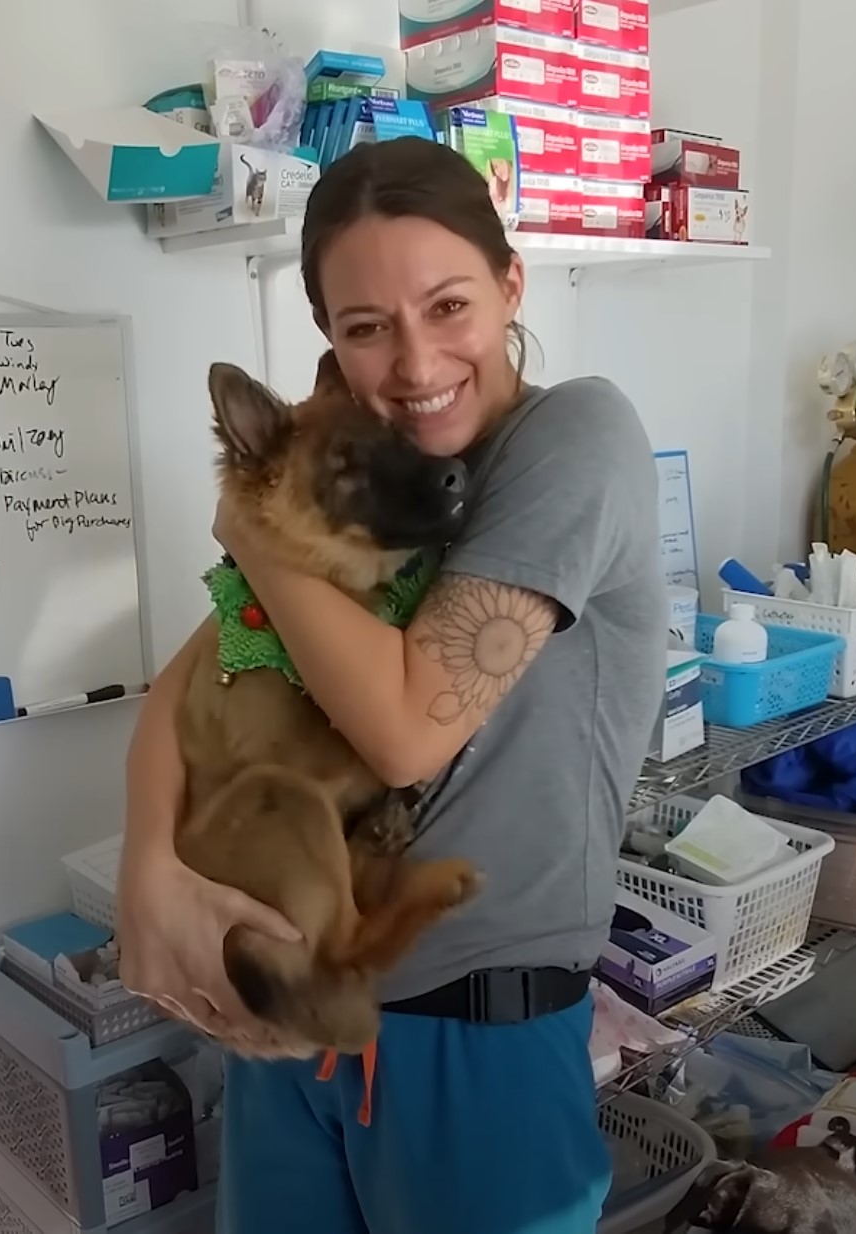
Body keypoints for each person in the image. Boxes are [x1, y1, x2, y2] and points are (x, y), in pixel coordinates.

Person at [118, 135, 666, 1234]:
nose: (415, 364)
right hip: (299, 1023)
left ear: (511, 284)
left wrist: (249, 522)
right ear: (331, 340)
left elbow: (409, 730)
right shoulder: (367, 493)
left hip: (481, 1035)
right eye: (367, 328)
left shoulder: (576, 437)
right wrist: (147, 875)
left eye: (449, 305)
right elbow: (195, 680)